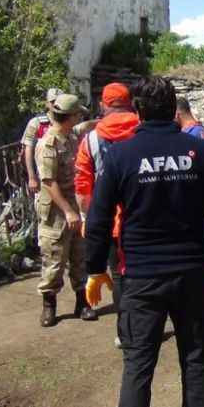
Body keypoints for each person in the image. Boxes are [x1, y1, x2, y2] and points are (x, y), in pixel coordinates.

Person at [84, 76, 204, 407]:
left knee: (138, 363)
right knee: (196, 359)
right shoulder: (201, 151)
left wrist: (95, 268)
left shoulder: (122, 156)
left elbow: (98, 218)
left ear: (138, 111)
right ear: (173, 111)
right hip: (191, 272)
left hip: (141, 277)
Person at [74, 83, 139, 342]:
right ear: (130, 102)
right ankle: (149, 326)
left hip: (110, 222)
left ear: (103, 105)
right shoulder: (143, 129)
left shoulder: (90, 140)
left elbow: (82, 187)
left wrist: (88, 220)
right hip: (142, 216)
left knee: (118, 275)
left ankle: (126, 333)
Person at [36, 94, 97, 327]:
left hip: (74, 205)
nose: (80, 116)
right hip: (55, 212)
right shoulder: (48, 144)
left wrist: (110, 119)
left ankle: (83, 302)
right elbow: (48, 182)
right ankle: (49, 305)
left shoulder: (71, 135)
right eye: (77, 113)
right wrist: (68, 211)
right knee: (54, 259)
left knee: (80, 255)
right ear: (69, 116)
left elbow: (86, 126)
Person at [22, 88, 97, 194]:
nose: (55, 104)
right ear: (47, 104)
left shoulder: (68, 124)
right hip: (44, 174)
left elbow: (81, 128)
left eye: (58, 101)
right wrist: (31, 176)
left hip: (66, 177)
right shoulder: (37, 123)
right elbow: (28, 149)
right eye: (52, 101)